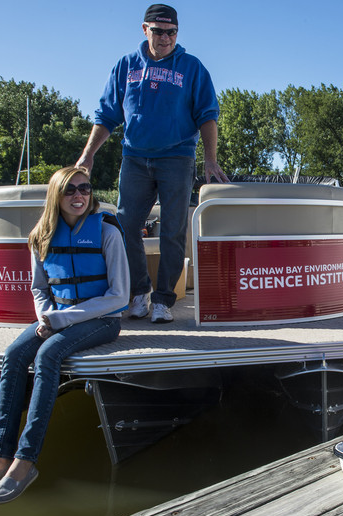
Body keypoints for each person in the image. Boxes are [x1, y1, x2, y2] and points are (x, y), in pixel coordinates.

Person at [0, 166, 129, 504]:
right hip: (55, 317)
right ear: (56, 195)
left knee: (47, 355)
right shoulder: (41, 234)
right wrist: (45, 317)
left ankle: (25, 461)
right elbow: (39, 288)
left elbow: (119, 296)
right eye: (70, 189)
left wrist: (59, 320)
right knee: (14, 355)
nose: (79, 195)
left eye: (85, 188)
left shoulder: (107, 232)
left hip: (102, 320)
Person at [76, 3, 229, 324]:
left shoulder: (192, 67)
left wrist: (210, 159)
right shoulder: (126, 65)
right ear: (145, 30)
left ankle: (163, 300)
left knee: (173, 230)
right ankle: (139, 292)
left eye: (172, 32)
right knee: (125, 225)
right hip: (134, 157)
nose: (165, 38)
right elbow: (106, 115)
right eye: (158, 31)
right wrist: (88, 155)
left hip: (177, 157)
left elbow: (208, 115)